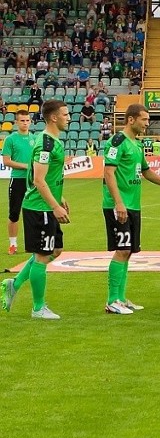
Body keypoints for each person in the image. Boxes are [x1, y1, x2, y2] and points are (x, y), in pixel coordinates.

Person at [0, 100, 70, 319]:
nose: (69, 118)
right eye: (65, 114)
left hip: (46, 205)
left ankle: (14, 283)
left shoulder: (51, 141)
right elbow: (38, 180)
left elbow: (44, 176)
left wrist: (60, 197)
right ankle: (38, 308)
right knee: (42, 256)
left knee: (55, 250)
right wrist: (54, 205)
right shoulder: (46, 144)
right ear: (53, 118)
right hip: (40, 209)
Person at [102, 104, 160, 315]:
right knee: (122, 250)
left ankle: (121, 298)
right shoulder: (117, 142)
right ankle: (111, 300)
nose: (147, 123)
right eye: (144, 119)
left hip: (133, 204)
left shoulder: (137, 144)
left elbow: (145, 171)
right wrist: (118, 203)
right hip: (119, 204)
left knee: (129, 251)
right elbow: (109, 173)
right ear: (131, 120)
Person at [2, 110, 36, 255]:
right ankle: (13, 244)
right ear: (16, 122)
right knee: (14, 214)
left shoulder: (35, 139)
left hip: (33, 180)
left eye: (27, 120)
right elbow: (6, 161)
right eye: (22, 120)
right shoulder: (10, 139)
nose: (25, 123)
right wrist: (26, 166)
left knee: (34, 212)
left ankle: (33, 243)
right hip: (17, 180)